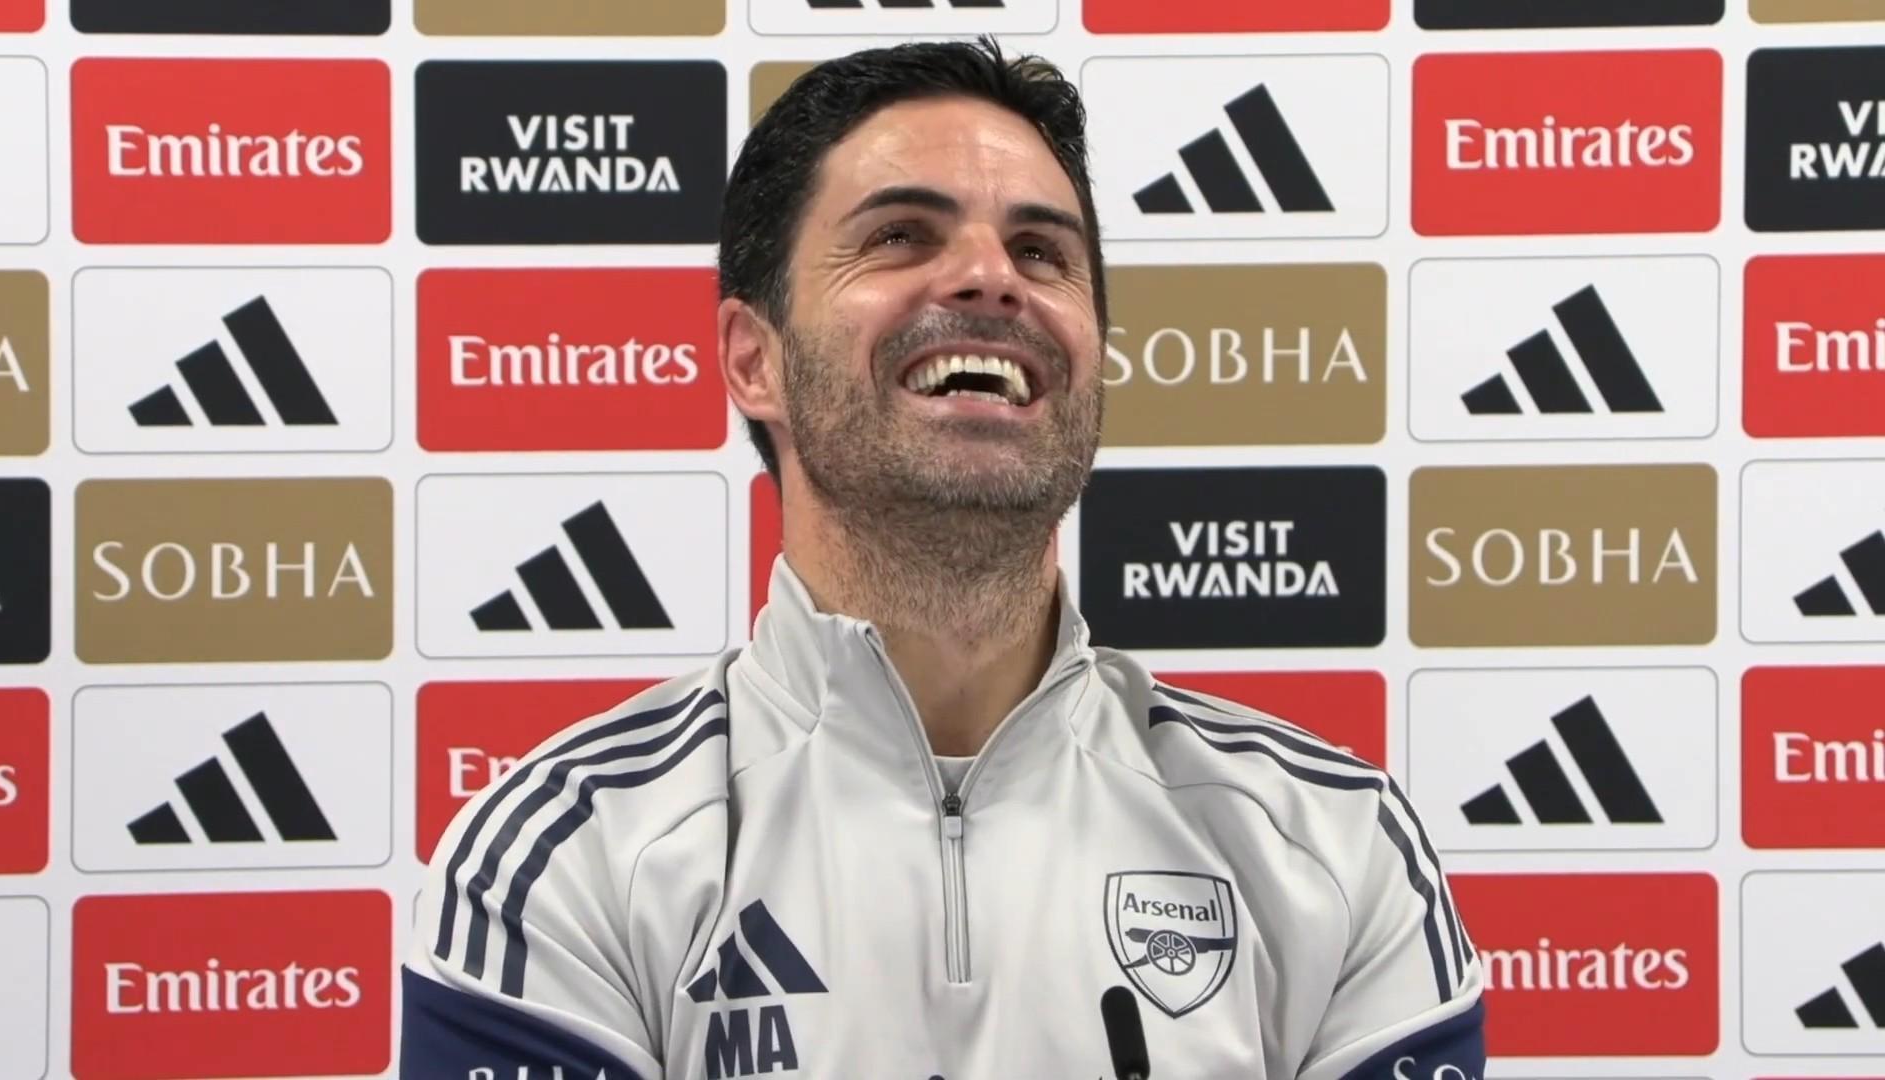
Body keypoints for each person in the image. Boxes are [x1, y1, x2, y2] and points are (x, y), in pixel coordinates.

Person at [402, 36, 1485, 1079]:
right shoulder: (571, 860)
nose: (990, 277)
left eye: (1043, 252)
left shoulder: (1334, 844)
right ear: (754, 360)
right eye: (901, 237)